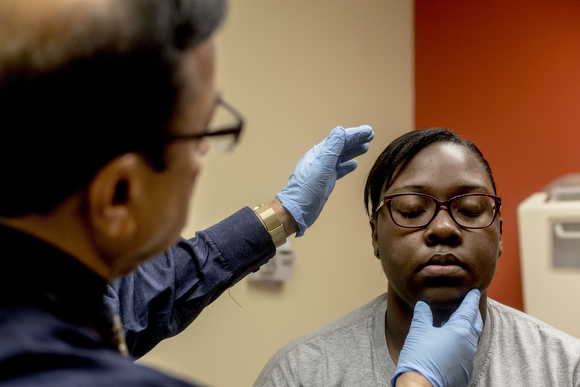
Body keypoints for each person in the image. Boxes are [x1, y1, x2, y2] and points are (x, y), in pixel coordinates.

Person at [254, 128, 580, 387]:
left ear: (500, 234)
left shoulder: (566, 369)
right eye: (411, 211)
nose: (442, 228)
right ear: (375, 237)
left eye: (469, 209)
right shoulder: (303, 374)